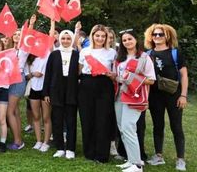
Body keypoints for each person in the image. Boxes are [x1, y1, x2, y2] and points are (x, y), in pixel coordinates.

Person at [144, 24, 188, 171]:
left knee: (176, 126)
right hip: (155, 95)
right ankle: (158, 156)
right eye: (155, 34)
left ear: (167, 36)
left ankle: (180, 159)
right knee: (158, 126)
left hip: (173, 94)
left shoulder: (175, 53)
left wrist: (183, 95)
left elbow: (184, 75)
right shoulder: (148, 53)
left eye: (160, 35)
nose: (157, 37)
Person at [113, 29, 156, 172]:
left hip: (134, 96)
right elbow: (118, 77)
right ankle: (131, 160)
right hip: (119, 95)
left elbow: (151, 80)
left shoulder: (144, 57)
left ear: (136, 40)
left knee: (128, 127)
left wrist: (131, 78)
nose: (127, 42)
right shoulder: (120, 58)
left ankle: (137, 164)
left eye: (129, 39)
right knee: (122, 129)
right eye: (124, 40)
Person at [78, 24, 117, 163]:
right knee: (87, 118)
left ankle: (102, 154)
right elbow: (80, 71)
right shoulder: (84, 51)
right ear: (92, 36)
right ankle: (89, 152)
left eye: (103, 36)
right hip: (86, 84)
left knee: (103, 119)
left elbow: (115, 73)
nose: (100, 38)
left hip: (105, 85)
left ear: (107, 37)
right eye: (97, 35)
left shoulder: (112, 52)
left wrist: (111, 74)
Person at [43, 23, 80, 160]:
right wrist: (46, 93)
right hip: (56, 89)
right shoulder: (54, 54)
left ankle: (70, 148)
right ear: (59, 40)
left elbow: (80, 74)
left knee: (71, 120)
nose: (65, 41)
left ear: (72, 40)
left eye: (68, 38)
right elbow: (48, 74)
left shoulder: (76, 55)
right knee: (57, 119)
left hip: (72, 89)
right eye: (63, 38)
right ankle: (59, 147)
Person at [27, 19, 55, 153]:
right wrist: (33, 74)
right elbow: (26, 75)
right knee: (36, 116)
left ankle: (46, 142)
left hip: (46, 89)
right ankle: (38, 140)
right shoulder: (30, 56)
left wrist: (52, 21)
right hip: (34, 88)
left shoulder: (48, 53)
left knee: (46, 117)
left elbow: (51, 36)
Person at [6, 27, 29, 151]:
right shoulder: (9, 49)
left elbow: (28, 35)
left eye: (19, 34)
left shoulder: (24, 50)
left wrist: (30, 25)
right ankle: (18, 138)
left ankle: (17, 141)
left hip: (18, 79)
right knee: (15, 111)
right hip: (8, 79)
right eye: (14, 34)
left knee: (9, 111)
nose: (16, 36)